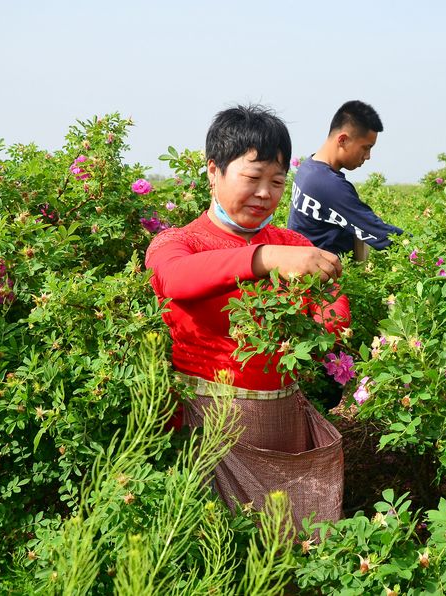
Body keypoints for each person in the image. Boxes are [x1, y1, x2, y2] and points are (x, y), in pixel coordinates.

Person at [145, 105, 348, 527]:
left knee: (292, 553)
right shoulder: (179, 242)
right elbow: (175, 279)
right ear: (213, 170)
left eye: (276, 182)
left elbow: (333, 313)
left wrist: (328, 306)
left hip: (282, 425)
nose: (264, 194)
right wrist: (264, 257)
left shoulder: (291, 243)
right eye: (252, 178)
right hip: (207, 429)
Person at [287, 100, 404, 255]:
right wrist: (425, 247)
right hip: (321, 275)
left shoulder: (308, 167)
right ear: (342, 140)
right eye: (366, 147)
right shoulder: (328, 184)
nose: (368, 156)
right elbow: (379, 233)